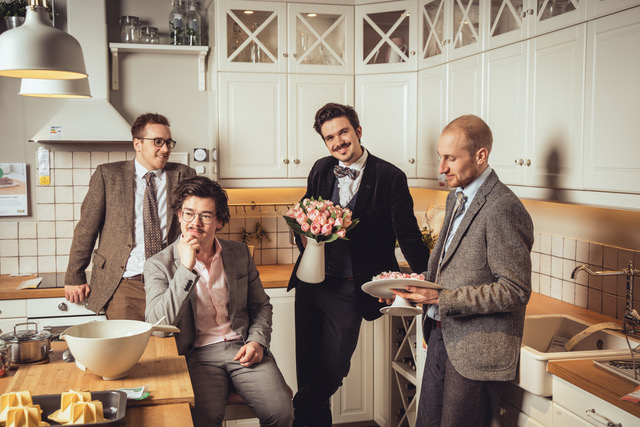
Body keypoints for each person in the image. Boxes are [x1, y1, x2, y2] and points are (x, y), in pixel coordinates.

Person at [288, 103, 429, 426]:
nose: (338, 142)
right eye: (330, 138)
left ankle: (296, 408)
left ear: (358, 132)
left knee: (334, 367)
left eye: (343, 133)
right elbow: (305, 218)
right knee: (306, 366)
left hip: (352, 288)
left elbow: (407, 236)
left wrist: (429, 279)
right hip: (311, 284)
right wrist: (306, 242)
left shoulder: (390, 177)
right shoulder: (321, 169)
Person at [392, 115, 534, 427]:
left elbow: (515, 289)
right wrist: (410, 292)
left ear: (480, 156)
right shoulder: (457, 196)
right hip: (442, 338)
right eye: (440, 157)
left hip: (478, 354)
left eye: (451, 158)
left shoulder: (502, 208)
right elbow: (446, 267)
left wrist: (442, 300)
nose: (441, 168)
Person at [144, 176, 293, 427]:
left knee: (281, 412)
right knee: (204, 419)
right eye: (189, 213)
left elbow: (260, 306)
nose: (195, 223)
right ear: (179, 215)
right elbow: (157, 327)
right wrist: (186, 269)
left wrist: (258, 341)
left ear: (220, 221)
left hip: (243, 347)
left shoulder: (239, 253)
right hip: (197, 355)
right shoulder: (158, 265)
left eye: (205, 216)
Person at [64, 113, 196, 320]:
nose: (166, 149)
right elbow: (86, 228)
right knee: (127, 350)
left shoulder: (185, 175)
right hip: (125, 283)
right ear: (138, 144)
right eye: (158, 142)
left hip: (170, 282)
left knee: (169, 350)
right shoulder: (108, 175)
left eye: (169, 143)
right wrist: (74, 275)